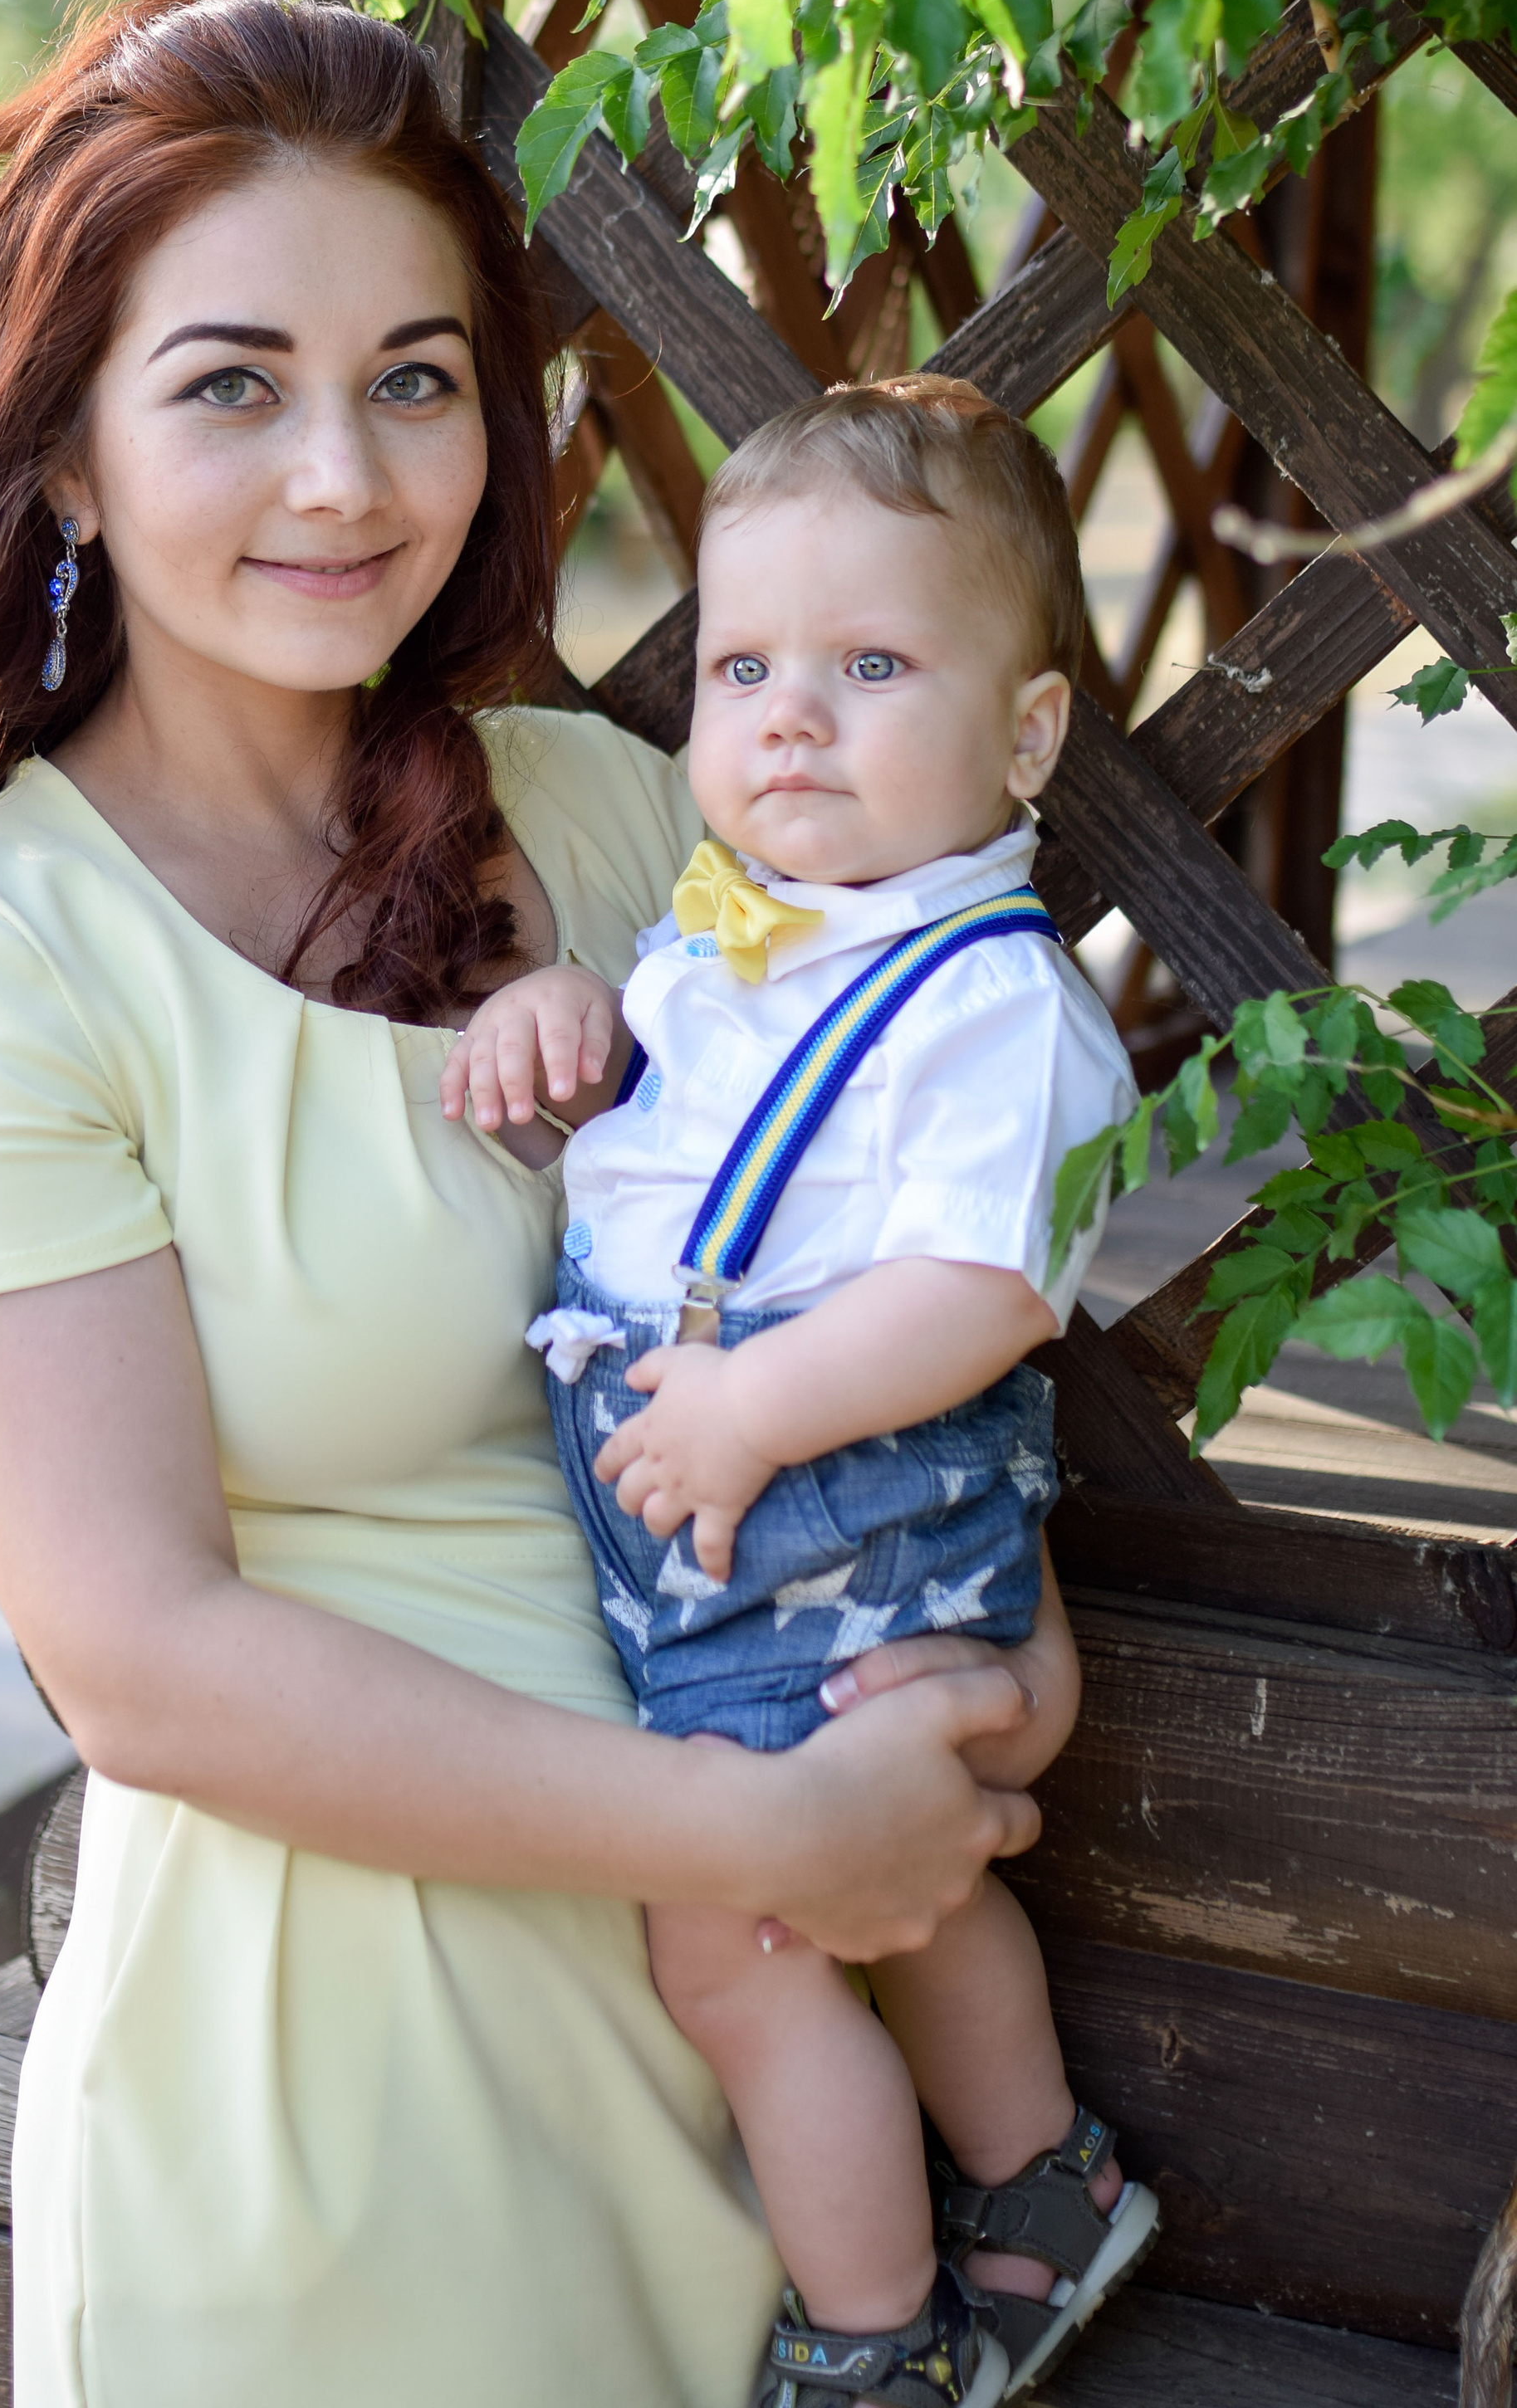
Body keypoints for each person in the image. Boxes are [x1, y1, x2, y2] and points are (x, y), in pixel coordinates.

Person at [0, 0, 1082, 2408]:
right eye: (232, 383)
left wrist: (989, 1643)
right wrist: (787, 1836)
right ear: (73, 452)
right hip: (329, 2126)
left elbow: (897, 1220)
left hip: (742, 2087)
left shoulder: (628, 820)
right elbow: (143, 1659)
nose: (345, 475)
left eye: (417, 379)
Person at [441, 383, 1158, 2406]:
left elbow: (978, 1287)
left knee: (736, 1959)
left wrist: (755, 1413)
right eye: (745, 665)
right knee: (907, 1900)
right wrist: (571, 1011)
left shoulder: (987, 1001)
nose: (788, 718)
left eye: (868, 666)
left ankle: (870, 2340)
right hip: (720, 1513)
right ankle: (1043, 2184)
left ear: (1021, 734)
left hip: (823, 1491)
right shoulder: (729, 943)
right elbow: (664, 1162)